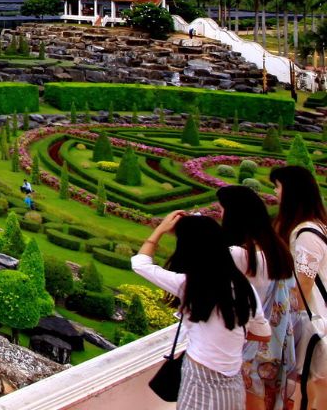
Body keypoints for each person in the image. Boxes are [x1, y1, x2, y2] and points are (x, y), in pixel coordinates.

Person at [133, 210, 270, 409]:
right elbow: (263, 334)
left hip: (199, 371)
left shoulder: (190, 284)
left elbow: (140, 264)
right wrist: (228, 334)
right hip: (232, 378)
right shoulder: (243, 287)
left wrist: (160, 230)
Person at [218, 184, 297, 410]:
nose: (220, 214)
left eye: (222, 209)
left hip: (246, 343)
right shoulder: (277, 250)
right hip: (274, 343)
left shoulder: (239, 255)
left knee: (250, 401)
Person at [272, 165, 327, 409]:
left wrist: (280, 317)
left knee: (314, 388)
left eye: (278, 187)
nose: (275, 193)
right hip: (315, 317)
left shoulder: (305, 233)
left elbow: (303, 283)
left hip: (312, 320)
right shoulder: (315, 226)